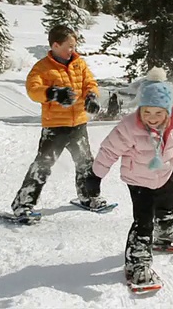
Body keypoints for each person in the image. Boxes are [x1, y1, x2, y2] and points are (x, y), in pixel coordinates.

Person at [85, 67, 173, 285]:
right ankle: (137, 262)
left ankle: (166, 232)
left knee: (171, 205)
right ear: (140, 109)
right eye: (146, 112)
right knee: (143, 222)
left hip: (165, 174)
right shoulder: (129, 127)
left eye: (158, 113)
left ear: (168, 110)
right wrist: (96, 176)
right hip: (138, 180)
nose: (152, 118)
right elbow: (109, 151)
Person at [10, 24, 104, 218]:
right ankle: (23, 204)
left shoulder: (79, 63)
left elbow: (90, 83)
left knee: (86, 163)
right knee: (43, 165)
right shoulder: (42, 67)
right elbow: (32, 90)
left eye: (74, 46)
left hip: (78, 124)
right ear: (55, 45)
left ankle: (88, 196)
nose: (73, 50)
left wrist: (92, 97)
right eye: (69, 46)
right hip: (55, 127)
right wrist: (52, 93)